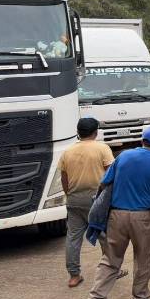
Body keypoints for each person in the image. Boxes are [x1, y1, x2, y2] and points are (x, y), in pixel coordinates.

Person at [86, 127, 150, 299]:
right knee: (143, 258)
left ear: (143, 141)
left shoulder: (123, 157)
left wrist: (100, 208)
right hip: (143, 218)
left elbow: (104, 184)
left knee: (110, 259)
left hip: (117, 216)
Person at [59, 117, 115, 288]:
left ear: (78, 132)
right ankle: (112, 270)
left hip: (74, 199)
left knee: (73, 238)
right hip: (97, 199)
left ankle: (74, 275)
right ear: (95, 132)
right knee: (105, 236)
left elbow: (64, 178)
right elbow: (111, 175)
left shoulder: (67, 152)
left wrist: (70, 195)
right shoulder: (102, 149)